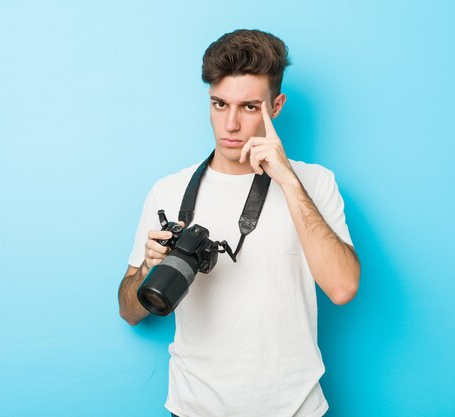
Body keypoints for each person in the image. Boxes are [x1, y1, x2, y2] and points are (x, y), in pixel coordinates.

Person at [118, 29, 360, 417]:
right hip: (194, 406)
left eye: (249, 107)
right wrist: (148, 268)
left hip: (294, 408)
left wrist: (287, 180)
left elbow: (343, 288)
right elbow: (130, 311)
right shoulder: (169, 190)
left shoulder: (314, 182)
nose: (230, 124)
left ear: (276, 106)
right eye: (219, 104)